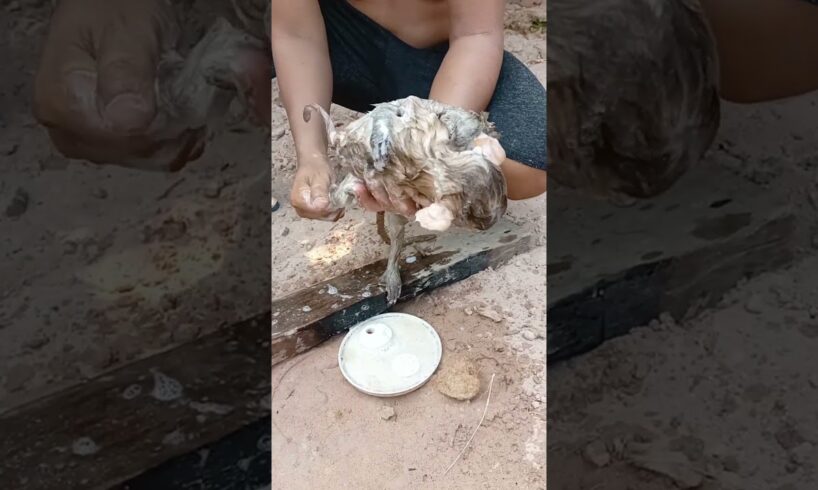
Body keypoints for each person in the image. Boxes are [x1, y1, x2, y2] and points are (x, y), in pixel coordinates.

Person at [271, 0, 547, 221]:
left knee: (530, 169)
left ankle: (424, 155)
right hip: (340, 46)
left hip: (440, 61)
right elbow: (297, 37)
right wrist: (312, 156)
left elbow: (475, 35)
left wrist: (424, 152)